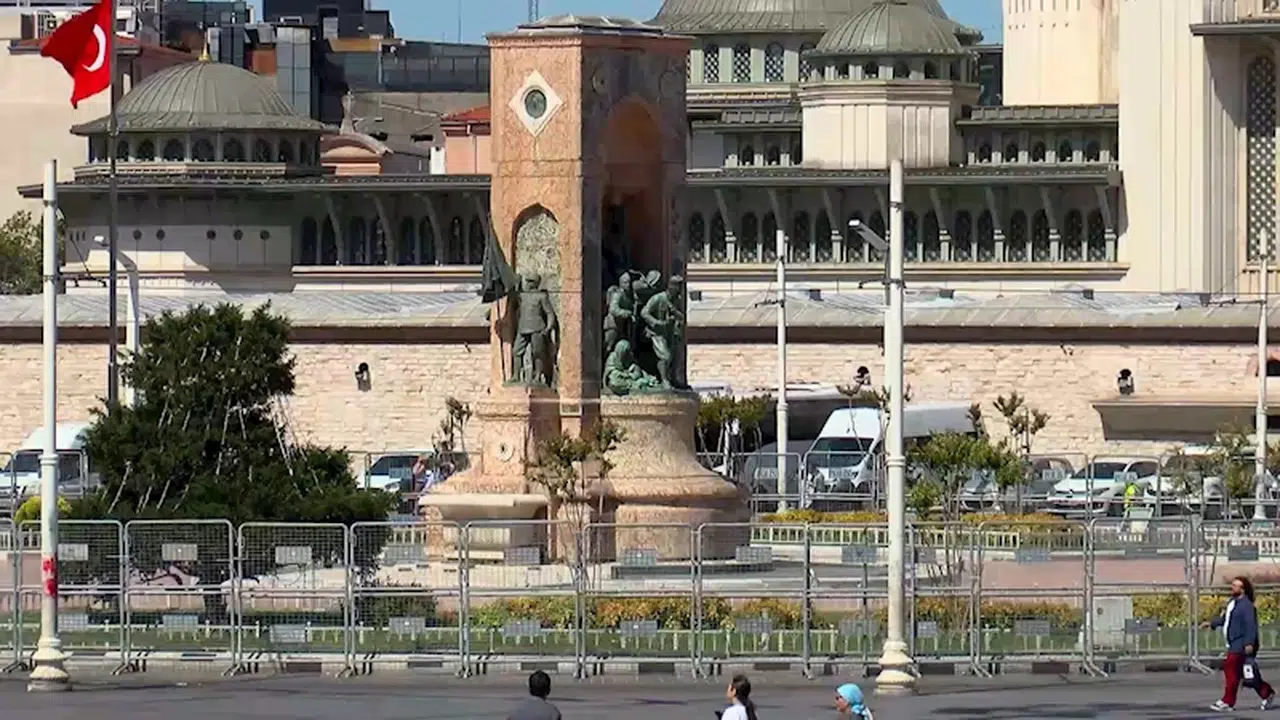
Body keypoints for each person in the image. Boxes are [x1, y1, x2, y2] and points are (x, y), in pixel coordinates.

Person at [1202, 576, 1275, 711]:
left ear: (1243, 589)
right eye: (1232, 585)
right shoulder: (1232, 602)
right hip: (1233, 642)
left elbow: (1250, 626)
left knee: (1230, 670)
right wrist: (1211, 623)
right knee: (1247, 674)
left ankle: (1227, 701)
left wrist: (1249, 643)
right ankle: (1267, 692)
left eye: (1236, 586)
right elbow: (1226, 619)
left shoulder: (1247, 606)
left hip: (1240, 644)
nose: (1232, 587)